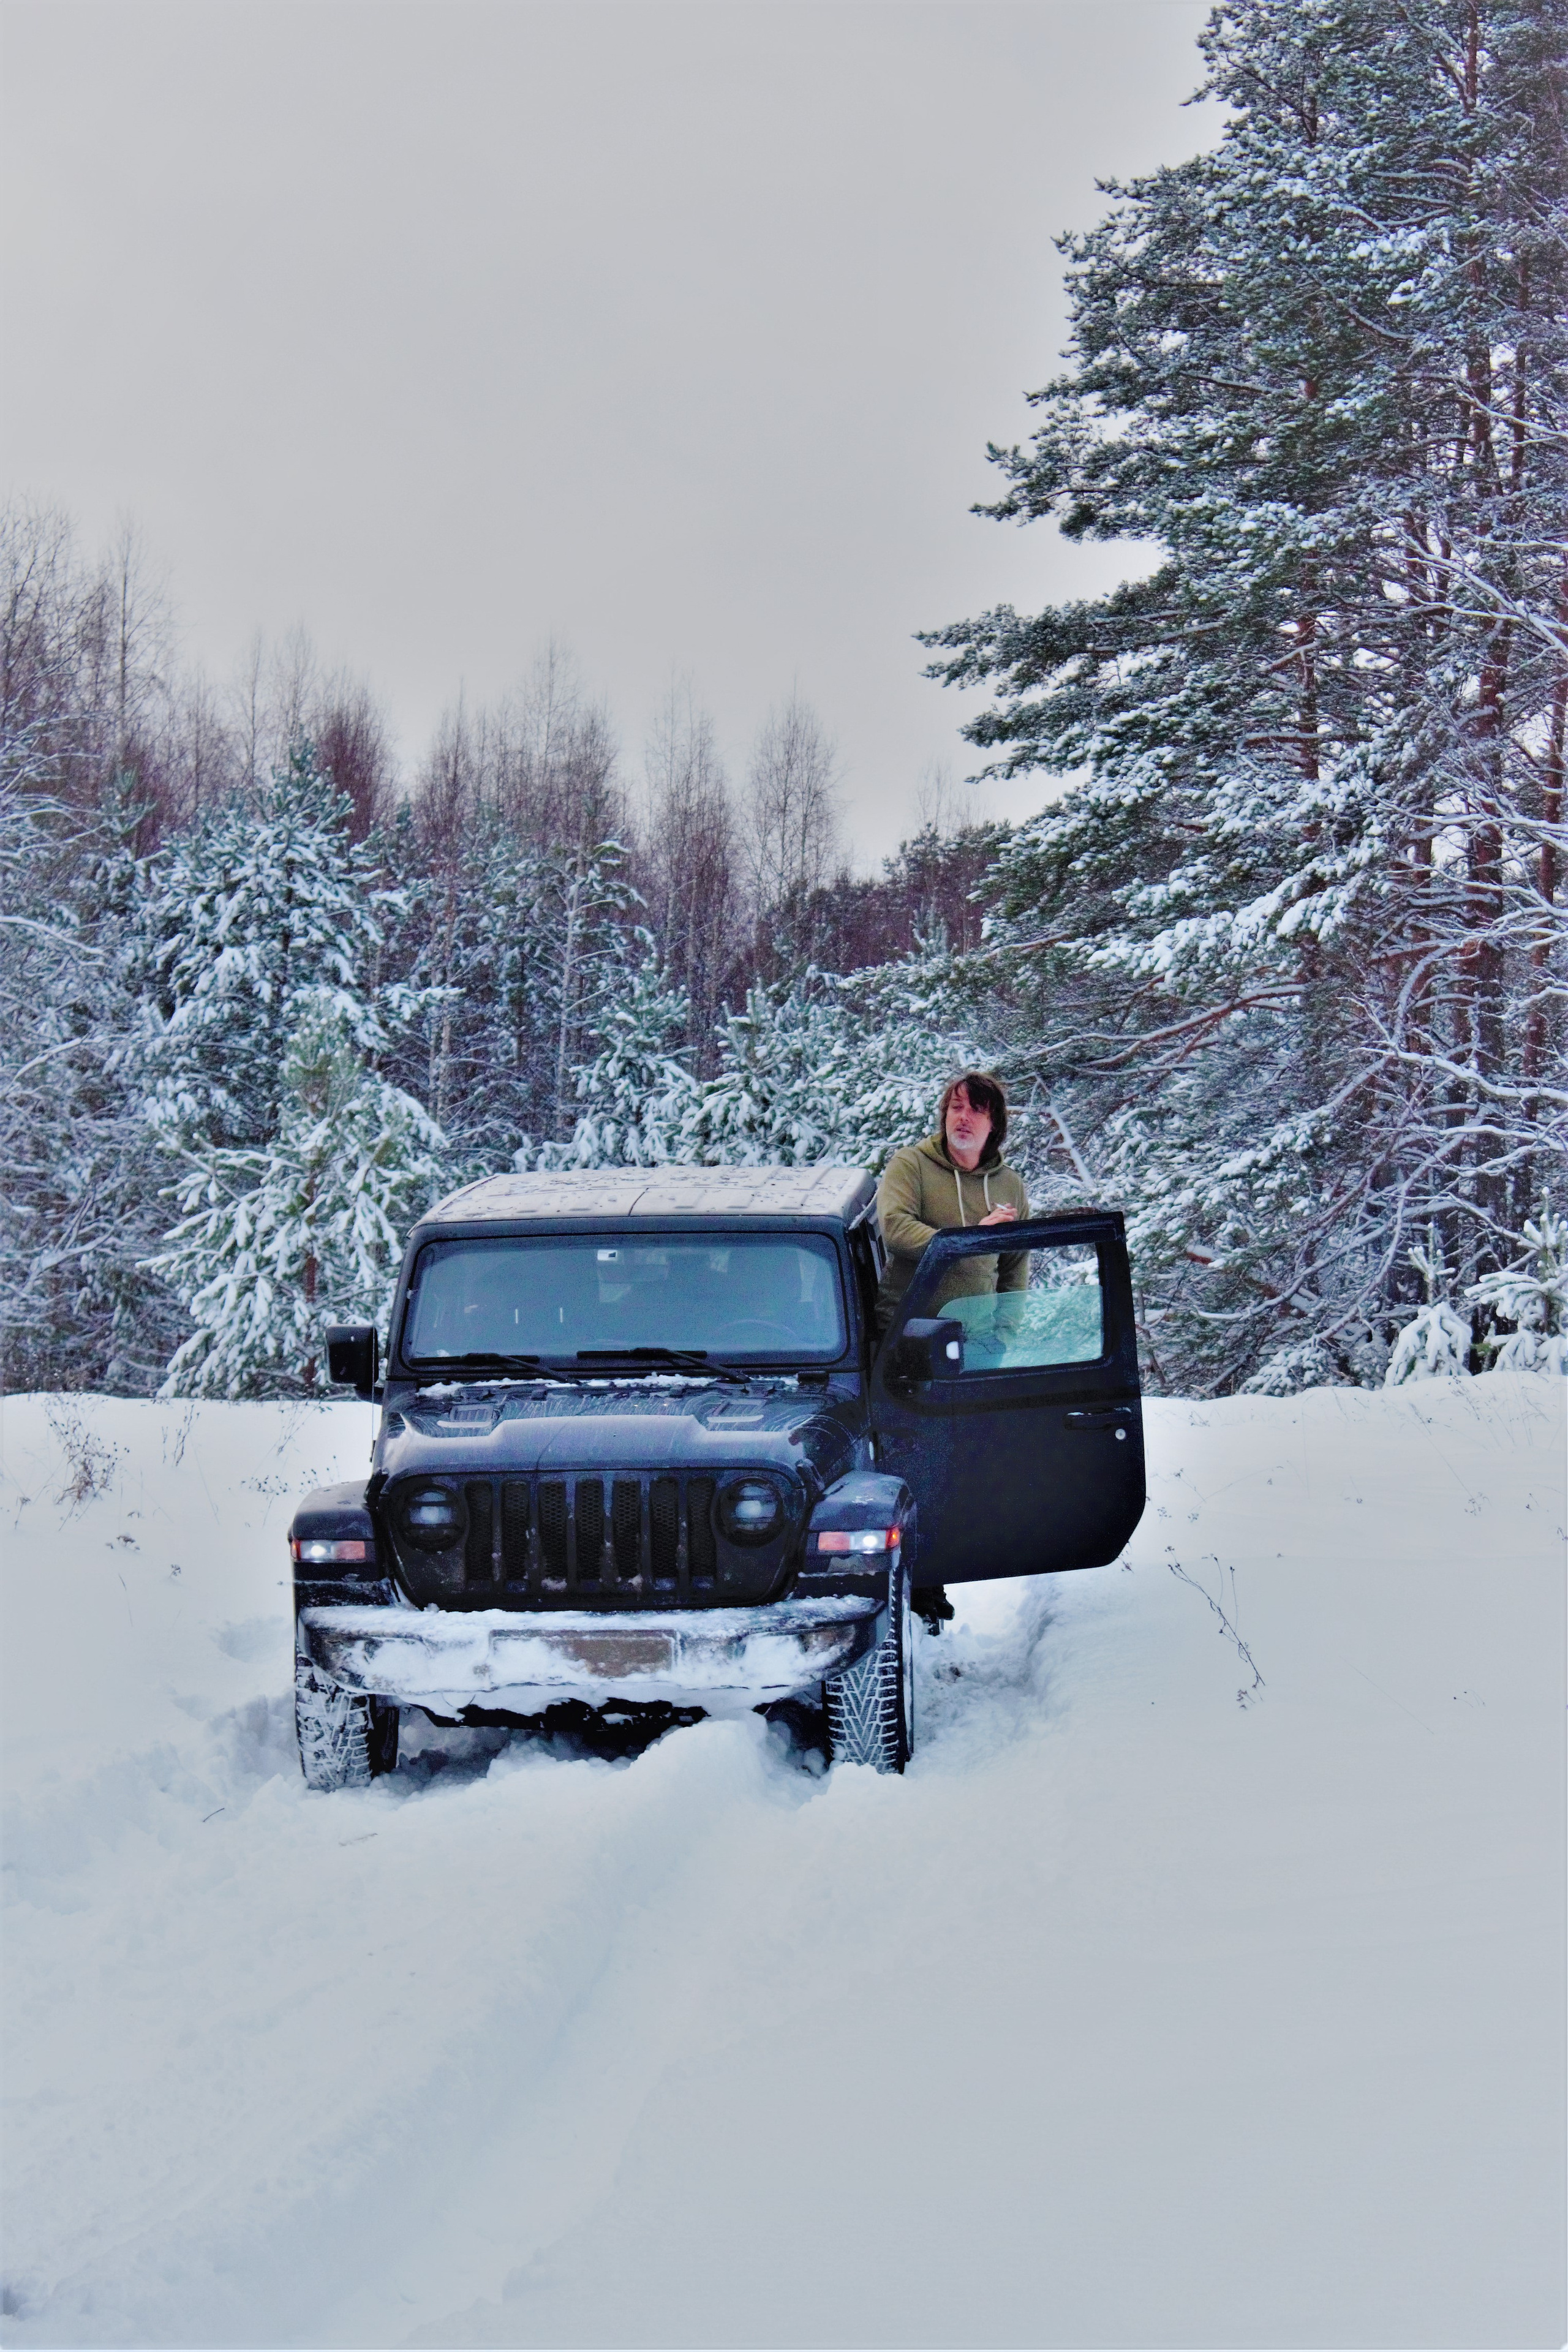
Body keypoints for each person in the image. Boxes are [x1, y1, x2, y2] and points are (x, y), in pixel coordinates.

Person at [874, 1071, 1030, 1633]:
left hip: (977, 1345)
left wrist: (1005, 1332)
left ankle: (947, 1569)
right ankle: (918, 1584)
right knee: (914, 1460)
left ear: (994, 1124)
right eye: (954, 1107)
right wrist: (968, 1235)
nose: (962, 1118)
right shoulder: (911, 1166)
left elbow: (1015, 1265)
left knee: (961, 1462)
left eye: (976, 1110)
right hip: (910, 1339)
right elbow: (895, 1228)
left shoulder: (1009, 1184)